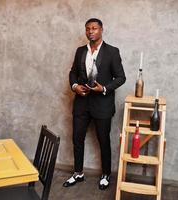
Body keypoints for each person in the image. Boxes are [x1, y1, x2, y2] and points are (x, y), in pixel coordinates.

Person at [63, 18, 126, 190]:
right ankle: (78, 173)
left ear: (101, 30)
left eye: (94, 28)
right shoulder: (80, 51)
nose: (91, 31)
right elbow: (73, 72)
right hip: (82, 104)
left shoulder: (112, 52)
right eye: (88, 29)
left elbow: (121, 77)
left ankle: (106, 174)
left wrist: (104, 88)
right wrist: (75, 86)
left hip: (103, 104)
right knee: (77, 139)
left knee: (103, 140)